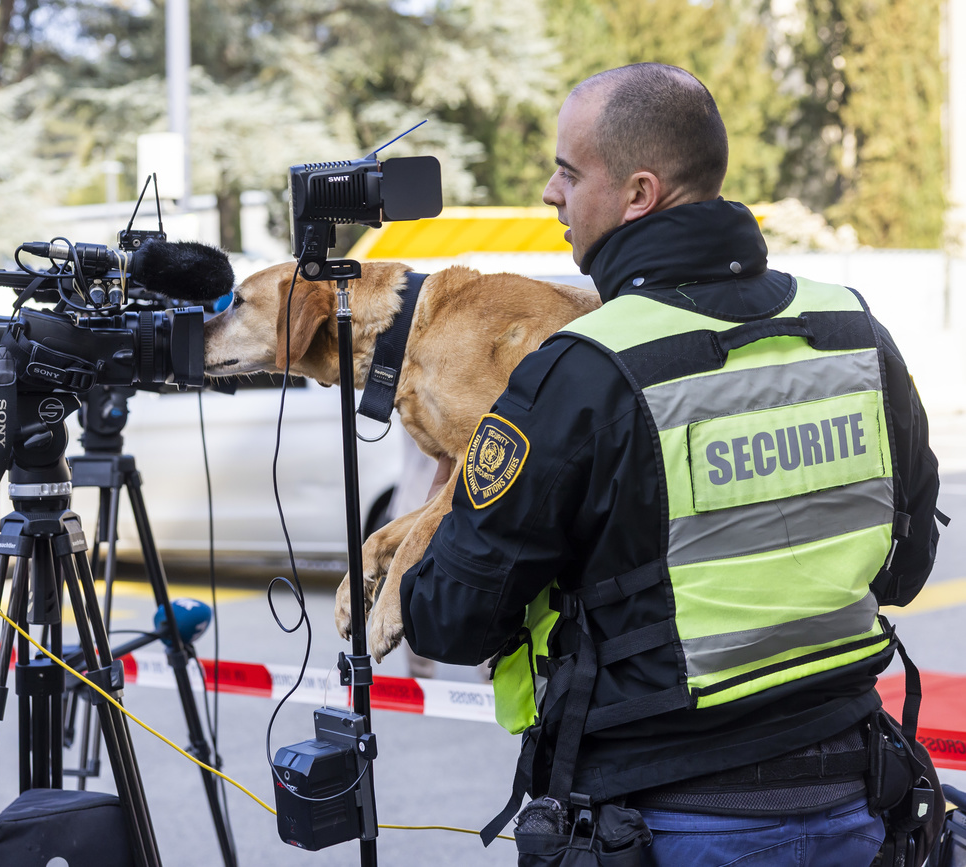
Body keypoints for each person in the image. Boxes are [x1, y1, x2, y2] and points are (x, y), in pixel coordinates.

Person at [399, 63, 942, 865]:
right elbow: (904, 569)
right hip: (853, 802)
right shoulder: (851, 330)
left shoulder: (581, 371)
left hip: (669, 821)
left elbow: (450, 617)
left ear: (639, 193)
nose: (551, 191)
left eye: (569, 170)